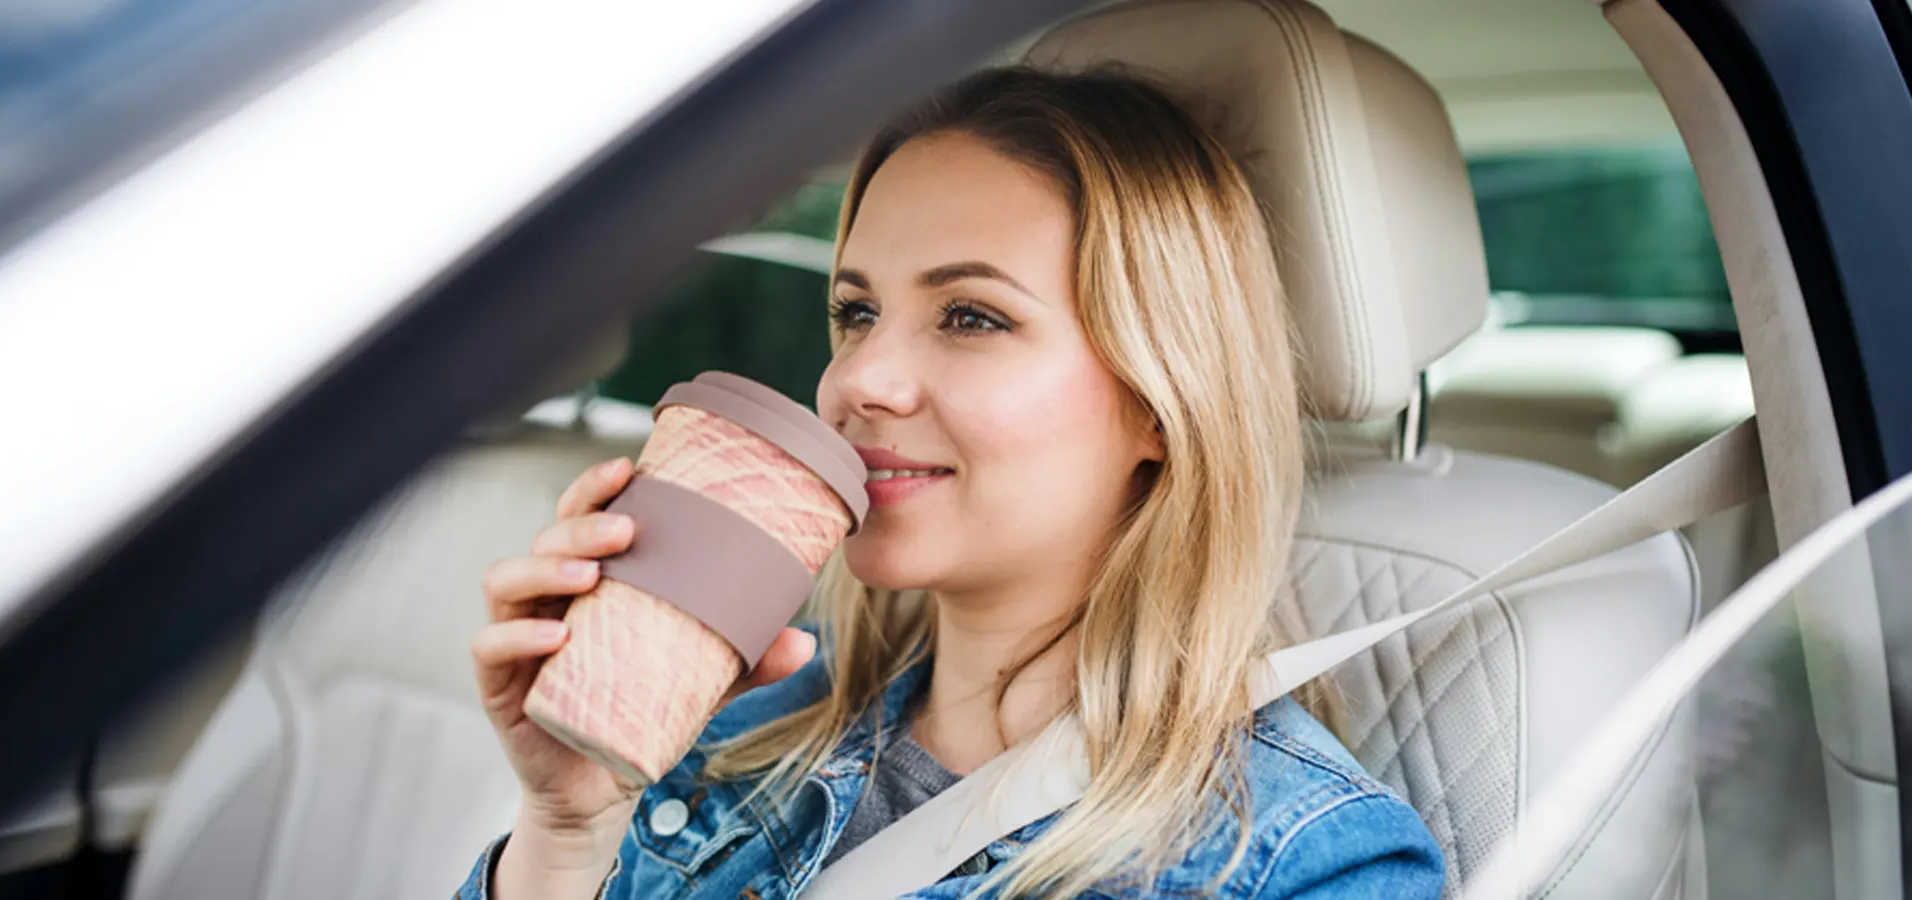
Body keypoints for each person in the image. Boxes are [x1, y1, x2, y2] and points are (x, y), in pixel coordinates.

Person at [457, 66, 1444, 899]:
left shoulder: (1303, 860)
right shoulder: (728, 722)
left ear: (1158, 398)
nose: (857, 381)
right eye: (855, 313)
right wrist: (566, 829)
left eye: (971, 317)